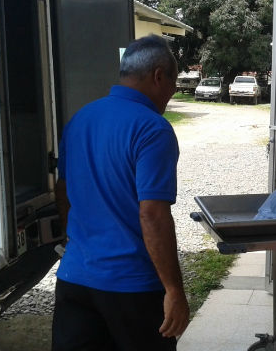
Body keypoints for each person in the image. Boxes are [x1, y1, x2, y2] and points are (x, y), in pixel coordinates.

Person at [52, 35, 189, 351]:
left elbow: (63, 190)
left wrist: (75, 241)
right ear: (158, 76)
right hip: (132, 289)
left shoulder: (80, 119)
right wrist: (174, 290)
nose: (172, 93)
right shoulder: (152, 128)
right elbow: (152, 214)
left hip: (75, 278)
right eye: (173, 82)